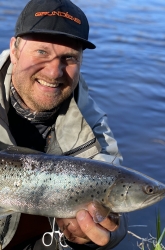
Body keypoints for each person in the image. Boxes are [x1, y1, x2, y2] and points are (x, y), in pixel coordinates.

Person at [0, 0, 128, 249]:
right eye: (42, 52)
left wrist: (103, 234)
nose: (54, 71)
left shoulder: (92, 128)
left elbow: (118, 205)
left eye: (69, 57)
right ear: (14, 50)